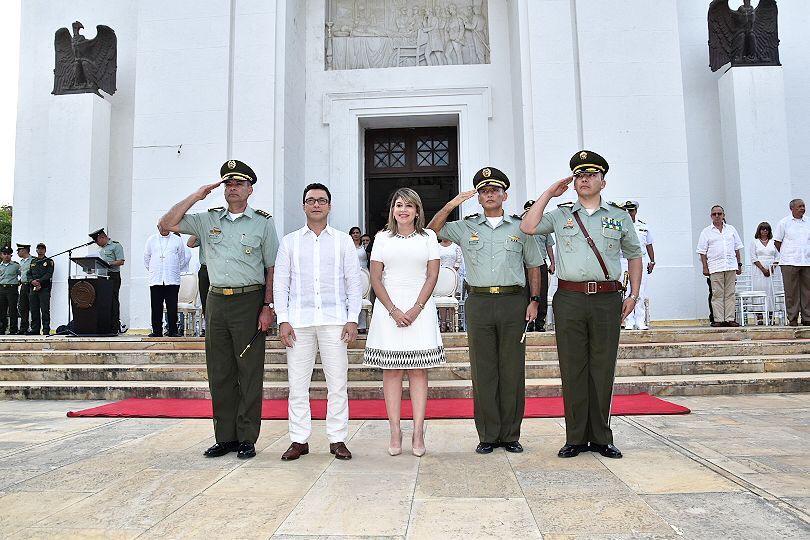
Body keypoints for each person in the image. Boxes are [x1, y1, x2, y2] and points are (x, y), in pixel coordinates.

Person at [521, 150, 643, 459]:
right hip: (570, 298)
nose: (584, 179)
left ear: (603, 180)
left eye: (591, 174)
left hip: (606, 298)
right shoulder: (561, 214)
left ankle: (601, 437)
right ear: (573, 182)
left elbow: (634, 255)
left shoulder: (618, 217)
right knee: (573, 369)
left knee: (602, 369)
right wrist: (549, 193)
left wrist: (633, 294)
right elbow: (528, 226)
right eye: (579, 175)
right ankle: (575, 437)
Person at [159, 159, 279, 460]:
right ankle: (224, 436)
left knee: (249, 371)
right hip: (216, 300)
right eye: (228, 183)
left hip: (249, 301)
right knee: (219, 371)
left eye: (239, 183)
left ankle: (247, 437)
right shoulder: (206, 219)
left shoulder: (262, 222)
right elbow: (166, 224)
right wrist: (196, 195)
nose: (233, 187)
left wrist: (268, 306)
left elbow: (271, 268)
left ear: (250, 188)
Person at [429, 167, 543, 455]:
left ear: (505, 194)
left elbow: (533, 265)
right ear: (477, 197)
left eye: (494, 190)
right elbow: (432, 230)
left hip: (513, 302)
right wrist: (452, 204)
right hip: (479, 302)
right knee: (483, 370)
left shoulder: (521, 226)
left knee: (512, 369)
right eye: (483, 191)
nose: (489, 195)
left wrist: (535, 300)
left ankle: (510, 434)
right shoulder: (467, 227)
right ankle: (489, 434)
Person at [274, 183, 361, 462]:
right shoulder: (290, 241)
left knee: (337, 383)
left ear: (329, 206)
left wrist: (352, 319)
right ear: (303, 206)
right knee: (297, 384)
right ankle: (299, 439)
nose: (316, 205)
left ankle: (337, 439)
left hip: (335, 321)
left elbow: (354, 283)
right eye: (310, 200)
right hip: (299, 322)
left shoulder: (342, 241)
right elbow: (281, 283)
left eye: (322, 200)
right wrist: (283, 319)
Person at [365, 188, 445, 457]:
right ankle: (395, 431)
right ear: (393, 210)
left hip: (419, 308)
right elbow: (376, 277)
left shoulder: (428, 237)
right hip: (389, 309)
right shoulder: (382, 238)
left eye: (409, 206)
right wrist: (394, 310)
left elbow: (432, 275)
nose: (403, 210)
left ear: (417, 211)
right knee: (392, 371)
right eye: (399, 205)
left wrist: (416, 308)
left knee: (418, 371)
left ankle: (419, 431)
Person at [696, 205, 743, 327]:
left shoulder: (731, 229)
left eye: (719, 213)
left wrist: (739, 264)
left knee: (730, 293)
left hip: (730, 266)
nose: (717, 216)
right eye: (714, 214)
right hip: (715, 267)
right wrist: (705, 267)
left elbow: (737, 248)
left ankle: (729, 318)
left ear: (723, 215)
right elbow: (702, 252)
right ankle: (718, 319)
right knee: (717, 294)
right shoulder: (706, 232)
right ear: (711, 216)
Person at [144, 224, 191, 337]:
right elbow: (147, 258)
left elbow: (182, 258)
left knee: (172, 306)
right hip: (156, 278)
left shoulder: (177, 240)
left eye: (166, 227)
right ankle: (157, 331)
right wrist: (155, 269)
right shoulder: (151, 239)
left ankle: (173, 330)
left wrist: (173, 268)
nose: (164, 229)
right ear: (158, 227)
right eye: (162, 227)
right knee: (156, 306)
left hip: (172, 278)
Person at [621, 201, 656, 330]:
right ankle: (628, 320)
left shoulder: (643, 226)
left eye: (631, 211)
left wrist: (652, 261)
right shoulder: (620, 226)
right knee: (626, 291)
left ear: (635, 211)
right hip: (624, 261)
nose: (629, 213)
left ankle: (640, 320)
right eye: (627, 211)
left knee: (640, 291)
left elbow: (649, 244)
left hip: (641, 261)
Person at [774, 199, 809, 326]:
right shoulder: (784, 223)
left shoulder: (808, 221)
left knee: (807, 291)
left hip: (806, 261)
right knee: (791, 291)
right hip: (789, 261)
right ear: (792, 208)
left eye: (803, 206)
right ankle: (793, 317)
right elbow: (777, 242)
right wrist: (786, 253)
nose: (802, 208)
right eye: (799, 206)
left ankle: (807, 317)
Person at [523, 200, 556, 332]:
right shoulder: (521, 226)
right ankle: (528, 323)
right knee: (526, 294)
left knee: (542, 293)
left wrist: (553, 263)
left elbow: (549, 246)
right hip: (525, 265)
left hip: (541, 263)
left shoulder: (543, 227)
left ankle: (540, 323)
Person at [90, 228, 126, 333]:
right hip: (101, 277)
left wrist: (108, 263)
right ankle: (104, 326)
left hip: (112, 276)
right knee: (103, 302)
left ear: (102, 237)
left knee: (113, 301)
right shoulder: (101, 249)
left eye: (97, 241)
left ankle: (114, 327)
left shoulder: (116, 245)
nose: (97, 244)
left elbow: (121, 261)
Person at [750, 222, 780, 322]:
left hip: (772, 270)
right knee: (759, 291)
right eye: (763, 229)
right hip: (758, 270)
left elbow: (778, 257)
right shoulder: (754, 242)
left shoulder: (773, 242)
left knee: (770, 291)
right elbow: (753, 257)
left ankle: (771, 316)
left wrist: (771, 269)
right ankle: (759, 317)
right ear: (759, 230)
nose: (765, 231)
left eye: (767, 229)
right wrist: (763, 269)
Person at [437, 236, 462, 332]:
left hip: (454, 276)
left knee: (452, 299)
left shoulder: (456, 247)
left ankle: (452, 322)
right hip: (440, 277)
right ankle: (443, 322)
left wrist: (451, 272)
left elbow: (458, 261)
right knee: (442, 299)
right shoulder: (437, 246)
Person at [28, 243, 54, 336]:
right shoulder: (33, 261)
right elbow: (29, 274)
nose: (40, 250)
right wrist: (32, 281)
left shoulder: (49, 261)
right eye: (39, 249)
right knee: (34, 309)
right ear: (36, 250)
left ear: (45, 250)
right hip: (33, 288)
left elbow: (49, 274)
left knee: (45, 310)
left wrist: (39, 281)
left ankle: (46, 329)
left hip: (44, 289)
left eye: (42, 249)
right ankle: (35, 329)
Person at [187, 235, 208, 336]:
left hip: (220, 268)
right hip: (205, 269)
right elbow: (189, 243)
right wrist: (197, 230)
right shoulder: (203, 233)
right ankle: (206, 327)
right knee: (205, 300)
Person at [0, 246, 20, 334]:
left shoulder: (16, 265)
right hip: (1, 289)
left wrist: (19, 282)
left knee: (12, 310)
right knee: (1, 310)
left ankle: (13, 329)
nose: (7, 256)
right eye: (5, 254)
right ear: (1, 255)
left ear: (11, 255)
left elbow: (23, 275)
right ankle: (2, 329)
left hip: (12, 289)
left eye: (8, 254)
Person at [16, 244, 32, 335]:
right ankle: (23, 328)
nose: (18, 252)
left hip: (31, 286)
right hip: (23, 286)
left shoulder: (33, 260)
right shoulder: (21, 262)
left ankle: (34, 328)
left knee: (33, 307)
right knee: (23, 307)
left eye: (19, 250)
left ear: (25, 250)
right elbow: (20, 274)